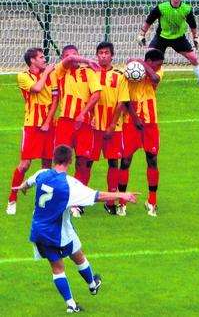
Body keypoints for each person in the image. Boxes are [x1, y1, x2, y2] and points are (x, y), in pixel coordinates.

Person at [13, 144, 139, 313]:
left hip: (38, 231)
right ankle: (84, 292)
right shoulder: (69, 185)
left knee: (64, 263)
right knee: (72, 260)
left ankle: (78, 297)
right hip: (58, 232)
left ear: (54, 158)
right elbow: (97, 196)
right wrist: (121, 195)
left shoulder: (42, 173)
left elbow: (29, 181)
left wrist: (22, 187)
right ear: (70, 161)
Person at [6, 47, 59, 215]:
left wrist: (48, 122)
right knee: (25, 164)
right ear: (32, 61)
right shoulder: (23, 76)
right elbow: (36, 89)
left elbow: (55, 100)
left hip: (49, 125)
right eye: (41, 57)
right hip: (31, 125)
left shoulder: (52, 76)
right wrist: (46, 73)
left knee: (46, 165)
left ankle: (43, 203)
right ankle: (12, 200)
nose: (45, 59)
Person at [54, 45, 102, 217]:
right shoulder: (59, 72)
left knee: (83, 160)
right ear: (63, 58)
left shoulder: (88, 73)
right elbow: (68, 61)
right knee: (61, 161)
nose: (72, 58)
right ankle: (60, 198)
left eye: (75, 55)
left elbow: (96, 94)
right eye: (68, 56)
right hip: (65, 121)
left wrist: (83, 113)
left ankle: (77, 203)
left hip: (85, 123)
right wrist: (85, 60)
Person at [85, 42, 130, 216]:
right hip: (93, 127)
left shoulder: (120, 76)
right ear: (97, 55)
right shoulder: (91, 73)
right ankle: (80, 202)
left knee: (113, 162)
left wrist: (112, 125)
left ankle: (110, 202)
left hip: (113, 127)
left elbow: (121, 102)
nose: (103, 56)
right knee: (86, 162)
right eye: (100, 53)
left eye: (106, 53)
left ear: (112, 55)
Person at [118, 49, 164, 217]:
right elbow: (124, 97)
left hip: (151, 123)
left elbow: (155, 79)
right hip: (130, 123)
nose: (160, 67)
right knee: (125, 161)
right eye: (157, 64)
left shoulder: (156, 71)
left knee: (152, 159)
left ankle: (152, 201)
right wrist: (135, 117)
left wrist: (144, 65)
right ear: (150, 61)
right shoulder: (130, 71)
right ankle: (122, 202)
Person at [137, 0, 199, 87]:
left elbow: (192, 24)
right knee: (149, 57)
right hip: (161, 38)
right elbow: (149, 21)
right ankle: (144, 83)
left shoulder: (187, 9)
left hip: (179, 39)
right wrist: (142, 34)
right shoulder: (161, 8)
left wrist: (195, 37)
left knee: (193, 58)